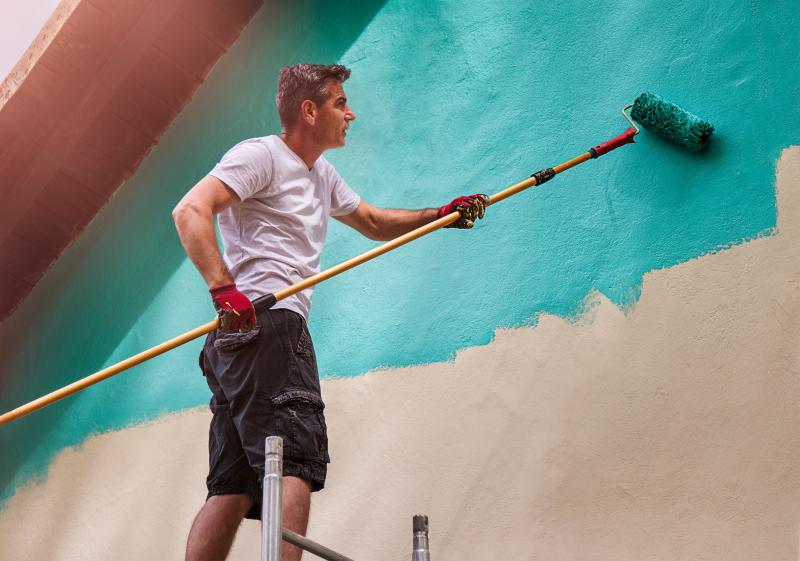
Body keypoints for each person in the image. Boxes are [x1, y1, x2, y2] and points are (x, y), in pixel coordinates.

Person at [173, 63, 489, 561]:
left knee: (232, 485)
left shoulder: (321, 175)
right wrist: (223, 291)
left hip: (241, 337)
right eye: (340, 103)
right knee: (294, 457)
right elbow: (190, 210)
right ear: (309, 110)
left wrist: (440, 216)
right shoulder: (262, 155)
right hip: (267, 322)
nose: (350, 113)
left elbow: (372, 221)